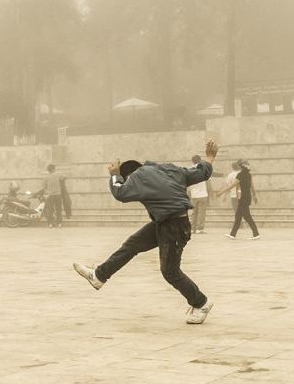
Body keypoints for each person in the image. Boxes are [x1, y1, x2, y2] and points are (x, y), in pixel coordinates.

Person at [73, 139, 218, 324]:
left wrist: (115, 175)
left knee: (170, 272)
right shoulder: (170, 169)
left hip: (173, 227)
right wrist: (210, 157)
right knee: (132, 244)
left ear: (129, 175)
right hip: (168, 222)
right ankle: (99, 275)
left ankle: (201, 303)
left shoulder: (137, 177)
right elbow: (202, 173)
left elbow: (121, 193)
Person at [219, 159, 259, 240]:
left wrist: (221, 192)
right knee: (238, 216)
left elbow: (232, 186)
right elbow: (252, 187)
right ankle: (232, 234)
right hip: (248, 197)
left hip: (243, 199)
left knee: (247, 217)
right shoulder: (248, 175)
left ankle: (256, 234)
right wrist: (255, 196)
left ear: (240, 166)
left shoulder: (240, 175)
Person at [188, 154, 213, 234]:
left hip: (193, 195)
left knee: (193, 213)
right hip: (203, 195)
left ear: (192, 161)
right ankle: (199, 229)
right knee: (201, 213)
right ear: (200, 160)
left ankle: (192, 229)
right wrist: (211, 194)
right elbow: (208, 183)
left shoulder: (189, 170)